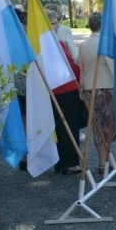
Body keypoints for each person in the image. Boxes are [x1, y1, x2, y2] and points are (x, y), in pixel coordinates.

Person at [47, 9, 87, 175]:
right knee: (68, 126)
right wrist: (82, 76)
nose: (58, 26)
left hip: (62, 89)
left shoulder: (57, 42)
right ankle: (69, 163)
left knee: (61, 126)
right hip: (64, 89)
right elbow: (69, 66)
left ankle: (61, 161)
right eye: (54, 23)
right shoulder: (51, 44)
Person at [78, 12, 115, 175]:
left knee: (97, 126)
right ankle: (107, 160)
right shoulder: (105, 43)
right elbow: (112, 67)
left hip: (88, 89)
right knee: (109, 125)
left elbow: (81, 68)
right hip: (106, 87)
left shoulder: (83, 44)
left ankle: (102, 161)